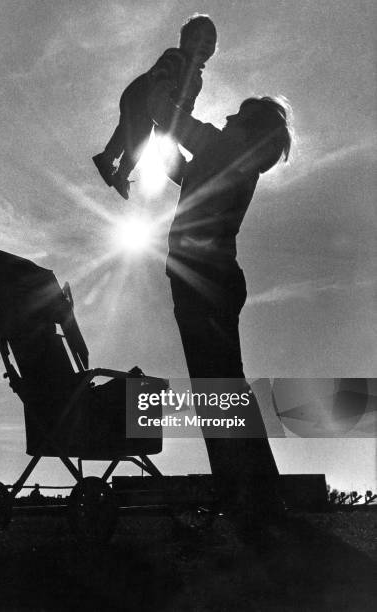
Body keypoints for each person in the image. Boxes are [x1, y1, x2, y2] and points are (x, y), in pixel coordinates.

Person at [147, 82, 293, 538]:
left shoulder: (230, 145)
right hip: (214, 279)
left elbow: (174, 121)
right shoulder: (232, 158)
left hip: (202, 281)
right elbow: (181, 170)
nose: (227, 118)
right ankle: (253, 496)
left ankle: (252, 498)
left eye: (235, 116)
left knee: (219, 392)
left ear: (247, 127)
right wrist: (159, 134)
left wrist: (167, 90)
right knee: (225, 389)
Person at [92, 14, 217, 200]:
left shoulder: (196, 81)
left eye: (209, 42)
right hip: (141, 95)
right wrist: (163, 86)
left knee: (140, 136)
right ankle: (108, 158)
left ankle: (121, 173)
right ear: (184, 42)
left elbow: (186, 106)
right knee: (133, 130)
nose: (203, 45)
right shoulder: (177, 57)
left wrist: (179, 124)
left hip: (155, 109)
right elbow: (162, 72)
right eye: (196, 39)